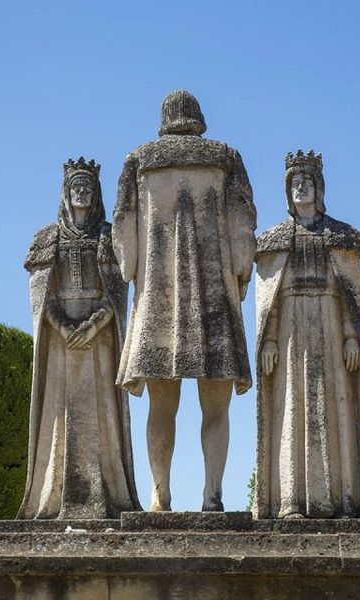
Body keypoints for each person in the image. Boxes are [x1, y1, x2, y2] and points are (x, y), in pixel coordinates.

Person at [112, 91, 257, 512]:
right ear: (199, 117)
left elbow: (124, 231)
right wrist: (240, 274)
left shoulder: (139, 160)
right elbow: (243, 225)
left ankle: (161, 494)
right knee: (217, 404)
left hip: (159, 296)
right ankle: (213, 494)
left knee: (161, 405)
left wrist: (132, 273)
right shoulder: (225, 158)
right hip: (214, 299)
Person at [252, 150, 360, 519]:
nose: (301, 187)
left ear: (319, 187)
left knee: (336, 409)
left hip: (328, 328)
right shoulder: (274, 241)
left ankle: (342, 500)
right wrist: (271, 337)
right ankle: (290, 500)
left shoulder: (341, 238)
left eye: (307, 181)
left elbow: (348, 298)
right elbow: (270, 299)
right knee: (291, 408)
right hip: (291, 331)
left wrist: (351, 335)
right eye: (294, 182)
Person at [17, 157, 141, 519]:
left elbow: (115, 296)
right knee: (58, 417)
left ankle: (108, 494)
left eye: (87, 186)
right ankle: (53, 498)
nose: (82, 192)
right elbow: (44, 299)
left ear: (96, 192)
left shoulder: (108, 237)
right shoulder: (48, 239)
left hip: (99, 342)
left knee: (104, 417)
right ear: (66, 193)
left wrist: (94, 325)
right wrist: (61, 326)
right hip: (61, 346)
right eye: (76, 186)